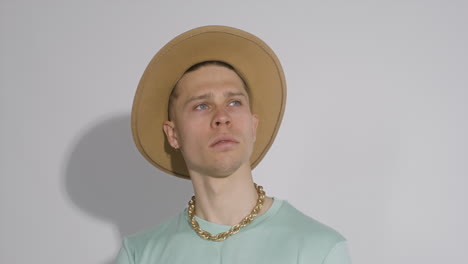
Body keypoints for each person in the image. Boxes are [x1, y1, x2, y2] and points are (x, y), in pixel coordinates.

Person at [116, 26, 352, 264]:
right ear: (173, 134)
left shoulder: (319, 249)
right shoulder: (139, 254)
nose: (222, 117)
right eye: (201, 105)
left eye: (234, 102)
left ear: (253, 126)